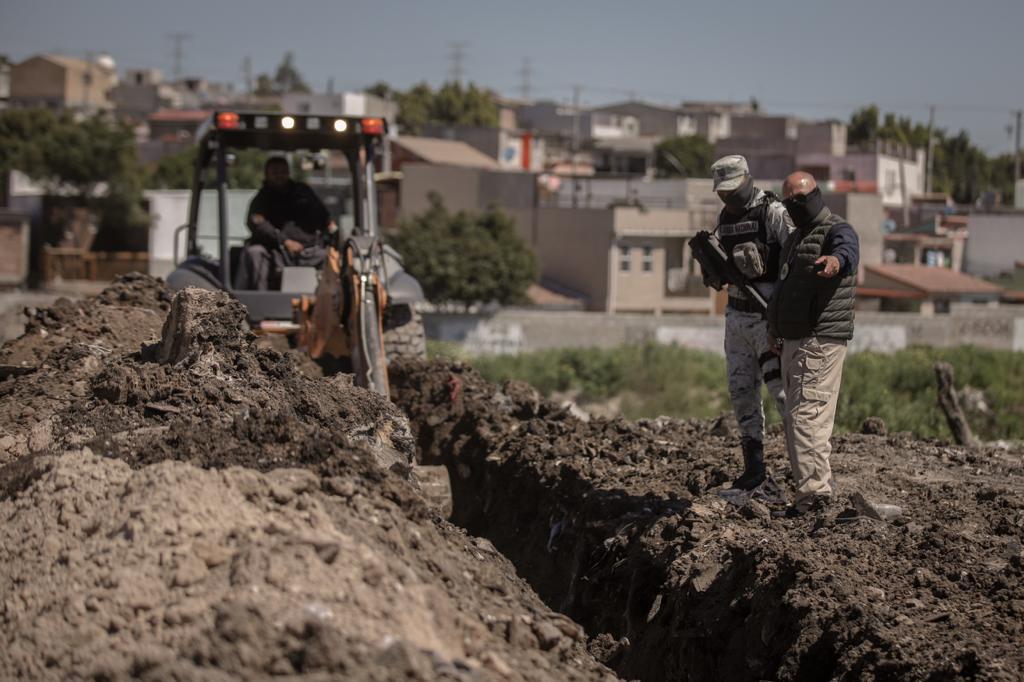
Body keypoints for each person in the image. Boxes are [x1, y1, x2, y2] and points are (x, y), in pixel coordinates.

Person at [768, 171, 859, 518]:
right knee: (799, 420)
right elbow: (783, 287)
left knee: (807, 418)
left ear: (816, 195)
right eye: (788, 200)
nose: (794, 205)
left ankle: (814, 497)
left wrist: (835, 262)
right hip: (794, 341)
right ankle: (811, 495)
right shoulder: (795, 239)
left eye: (799, 198)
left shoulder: (837, 229)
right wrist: (774, 328)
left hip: (819, 340)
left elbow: (847, 251)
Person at [708, 155, 793, 491]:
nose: (727, 197)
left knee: (782, 394)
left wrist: (782, 314)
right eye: (722, 192)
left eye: (732, 190)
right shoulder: (724, 219)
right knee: (741, 391)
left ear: (747, 179)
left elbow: (796, 257)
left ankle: (804, 468)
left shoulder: (772, 212)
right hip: (736, 317)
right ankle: (754, 468)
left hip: (767, 318)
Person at [235, 156, 330, 290]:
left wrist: (327, 229)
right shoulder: (262, 199)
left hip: (308, 250)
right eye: (275, 172)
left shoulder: (303, 192)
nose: (279, 176)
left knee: (330, 258)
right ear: (267, 175)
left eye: (283, 172)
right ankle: (260, 298)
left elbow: (322, 216)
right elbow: (258, 224)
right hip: (274, 251)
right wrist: (285, 241)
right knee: (255, 253)